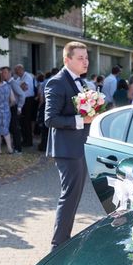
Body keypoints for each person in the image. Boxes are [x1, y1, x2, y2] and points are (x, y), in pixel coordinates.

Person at [45, 41, 95, 251]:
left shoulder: (82, 84)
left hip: (81, 146)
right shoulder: (56, 83)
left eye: (86, 57)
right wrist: (81, 121)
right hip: (66, 149)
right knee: (69, 195)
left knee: (74, 195)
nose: (86, 61)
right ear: (67, 60)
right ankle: (58, 246)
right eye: (80, 58)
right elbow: (50, 119)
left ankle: (64, 239)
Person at [14, 64, 36, 147]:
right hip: (22, 100)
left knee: (27, 121)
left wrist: (17, 86)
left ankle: (29, 141)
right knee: (22, 122)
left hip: (28, 100)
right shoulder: (19, 78)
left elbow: (24, 87)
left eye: (17, 71)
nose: (16, 73)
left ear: (21, 69)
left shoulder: (27, 77)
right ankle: (25, 139)